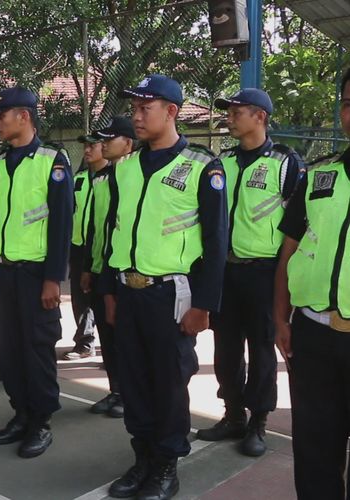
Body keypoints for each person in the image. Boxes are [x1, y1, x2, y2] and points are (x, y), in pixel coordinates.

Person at [102, 75, 228, 499]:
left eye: (145, 108)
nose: (136, 116)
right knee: (133, 381)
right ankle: (142, 459)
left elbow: (215, 241)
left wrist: (204, 305)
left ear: (172, 111)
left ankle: (166, 466)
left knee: (170, 382)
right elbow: (114, 232)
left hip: (171, 294)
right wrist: (110, 291)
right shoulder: (126, 168)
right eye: (134, 109)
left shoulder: (201, 166)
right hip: (129, 290)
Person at [195, 89, 304, 457]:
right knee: (225, 348)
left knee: (261, 349)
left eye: (236, 112)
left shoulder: (285, 163)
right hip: (225, 270)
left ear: (259, 117)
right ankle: (233, 415)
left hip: (263, 272)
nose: (230, 117)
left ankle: (258, 420)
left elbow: (295, 225)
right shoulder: (220, 162)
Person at [0, 87, 73, 458]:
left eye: (2, 116)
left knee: (37, 350)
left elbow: (62, 224)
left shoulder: (53, 161)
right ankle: (20, 413)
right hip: (5, 274)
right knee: (9, 348)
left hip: (37, 276)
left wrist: (53, 278)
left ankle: (41, 422)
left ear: (24, 116)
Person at [274, 68, 350, 500]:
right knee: (315, 448)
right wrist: (280, 318)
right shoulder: (320, 177)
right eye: (347, 103)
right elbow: (289, 252)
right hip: (314, 333)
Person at [79, 117, 136, 418]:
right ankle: (116, 390)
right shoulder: (101, 179)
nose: (100, 145)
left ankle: (129, 394)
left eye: (107, 140)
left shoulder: (132, 177)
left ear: (127, 144)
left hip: (123, 270)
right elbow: (95, 225)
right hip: (102, 267)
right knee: (107, 334)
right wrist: (88, 266)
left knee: (125, 336)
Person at [63, 131, 108, 360]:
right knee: (80, 297)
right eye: (85, 147)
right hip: (79, 247)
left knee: (105, 298)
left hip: (105, 249)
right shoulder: (79, 179)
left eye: (93, 146)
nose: (87, 151)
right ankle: (85, 341)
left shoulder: (113, 177)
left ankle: (112, 348)